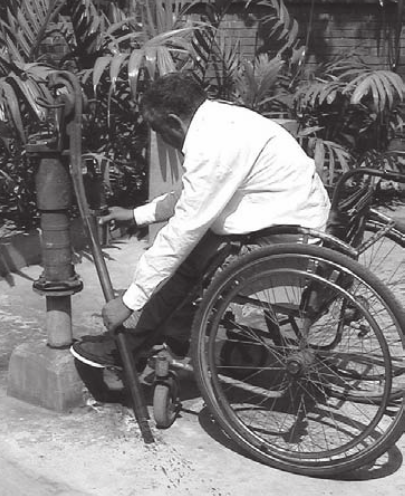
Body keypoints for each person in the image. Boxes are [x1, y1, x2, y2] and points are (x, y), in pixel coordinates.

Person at [70, 72, 331, 369]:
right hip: (284, 217)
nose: (162, 140)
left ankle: (128, 350)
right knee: (185, 256)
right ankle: (172, 332)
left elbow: (184, 227)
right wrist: (137, 215)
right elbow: (190, 194)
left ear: (172, 122)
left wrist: (130, 301)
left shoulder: (212, 145)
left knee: (186, 257)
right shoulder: (219, 120)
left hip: (285, 235)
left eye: (158, 131)